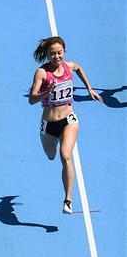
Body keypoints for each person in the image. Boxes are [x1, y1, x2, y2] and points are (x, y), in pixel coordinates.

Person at [28, 36, 103, 214]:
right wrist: (47, 91)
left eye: (59, 52)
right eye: (52, 53)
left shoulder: (69, 66)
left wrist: (89, 88)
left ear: (64, 52)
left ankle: (68, 200)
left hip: (68, 120)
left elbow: (79, 68)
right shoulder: (42, 73)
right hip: (48, 125)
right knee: (51, 155)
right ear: (46, 54)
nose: (56, 56)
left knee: (65, 155)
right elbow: (32, 99)